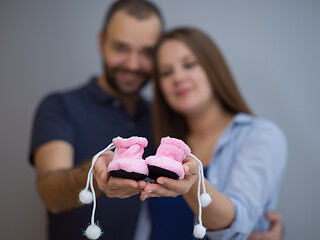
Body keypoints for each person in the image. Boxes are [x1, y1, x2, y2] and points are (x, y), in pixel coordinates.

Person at [29, 0, 283, 239]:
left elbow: (240, 213)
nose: (132, 63)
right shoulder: (61, 106)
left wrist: (260, 227)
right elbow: (51, 194)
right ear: (101, 41)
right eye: (121, 48)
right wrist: (95, 174)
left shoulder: (164, 128)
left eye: (147, 53)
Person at [139, 27, 287, 240]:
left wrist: (193, 183)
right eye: (166, 72)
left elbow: (240, 222)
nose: (178, 77)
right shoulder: (156, 144)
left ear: (212, 68)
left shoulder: (261, 136)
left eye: (189, 64)